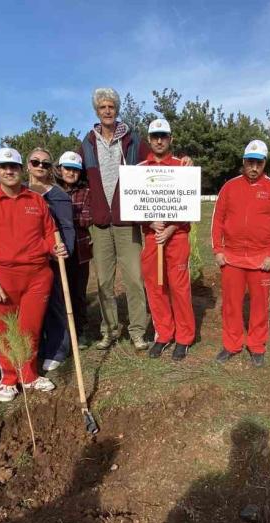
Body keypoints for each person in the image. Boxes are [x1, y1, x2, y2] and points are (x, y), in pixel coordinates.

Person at [0, 147, 61, 402]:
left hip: (37, 276)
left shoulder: (36, 200)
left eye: (14, 167)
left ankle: (28, 376)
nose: (9, 171)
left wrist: (55, 247)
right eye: (4, 167)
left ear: (21, 170)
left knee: (29, 328)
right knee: (7, 329)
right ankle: (8, 379)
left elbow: (49, 234)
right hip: (1, 277)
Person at [78, 87, 151, 351]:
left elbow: (153, 165)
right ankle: (108, 330)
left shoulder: (133, 140)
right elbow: (75, 175)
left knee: (134, 279)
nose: (107, 111)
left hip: (127, 221)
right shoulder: (87, 143)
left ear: (116, 109)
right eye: (102, 108)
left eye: (111, 107)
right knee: (104, 282)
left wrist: (181, 163)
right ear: (96, 111)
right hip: (99, 223)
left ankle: (138, 331)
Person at [211, 140, 270, 367]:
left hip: (261, 258)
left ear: (264, 163)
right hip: (232, 257)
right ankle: (231, 344)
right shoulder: (229, 187)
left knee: (259, 305)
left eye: (259, 163)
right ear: (243, 162)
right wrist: (218, 249)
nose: (254, 168)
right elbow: (217, 219)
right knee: (231, 304)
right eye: (250, 162)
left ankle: (256, 345)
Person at [139, 119, 194, 361]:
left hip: (177, 236)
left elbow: (188, 206)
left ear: (170, 138)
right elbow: (133, 206)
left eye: (164, 136)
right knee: (155, 286)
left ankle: (184, 337)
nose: (159, 140)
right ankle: (163, 334)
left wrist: (171, 227)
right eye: (155, 136)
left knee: (179, 288)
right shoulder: (140, 169)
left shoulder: (182, 167)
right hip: (152, 237)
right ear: (149, 140)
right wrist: (150, 223)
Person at [26, 147, 74, 372]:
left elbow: (66, 227)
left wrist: (65, 252)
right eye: (36, 162)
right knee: (32, 308)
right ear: (28, 165)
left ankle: (58, 348)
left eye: (46, 164)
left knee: (55, 305)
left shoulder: (58, 195)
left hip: (52, 259)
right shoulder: (21, 192)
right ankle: (36, 347)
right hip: (27, 260)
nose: (40, 167)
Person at [57, 151, 92, 350]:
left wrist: (63, 218)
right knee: (60, 293)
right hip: (56, 251)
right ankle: (62, 333)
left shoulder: (86, 191)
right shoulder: (51, 190)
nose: (71, 173)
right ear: (60, 169)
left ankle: (81, 330)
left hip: (80, 250)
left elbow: (87, 218)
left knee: (78, 292)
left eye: (75, 170)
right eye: (67, 168)